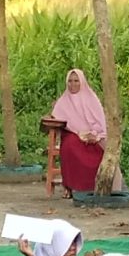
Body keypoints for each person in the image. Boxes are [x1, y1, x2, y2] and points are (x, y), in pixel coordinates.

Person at [47, 67, 110, 195]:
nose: (73, 84)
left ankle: (93, 188)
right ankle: (70, 187)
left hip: (92, 136)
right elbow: (57, 119)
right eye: (70, 81)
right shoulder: (63, 101)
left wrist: (94, 135)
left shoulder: (91, 99)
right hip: (72, 135)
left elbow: (100, 123)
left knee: (98, 153)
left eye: (76, 81)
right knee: (69, 146)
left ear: (82, 82)